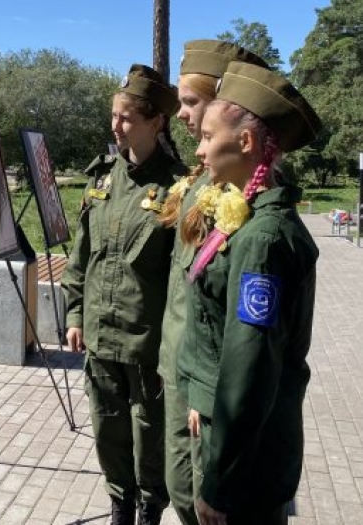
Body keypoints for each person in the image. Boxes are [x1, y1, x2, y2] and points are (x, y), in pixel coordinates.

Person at [177, 62, 322, 525]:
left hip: (247, 469)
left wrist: (218, 485)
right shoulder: (246, 215)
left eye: (207, 137)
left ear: (245, 142)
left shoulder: (262, 238)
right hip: (239, 445)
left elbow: (249, 369)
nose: (199, 148)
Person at [61, 64, 186, 525]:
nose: (116, 126)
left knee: (149, 432)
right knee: (107, 429)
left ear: (156, 122)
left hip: (147, 343)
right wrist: (75, 315)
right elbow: (82, 256)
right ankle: (120, 505)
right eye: (114, 116)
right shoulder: (102, 179)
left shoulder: (179, 187)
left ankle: (151, 507)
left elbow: (184, 276)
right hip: (99, 335)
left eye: (127, 118)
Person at [156, 40, 269, 525]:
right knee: (181, 489)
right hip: (180, 363)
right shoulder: (204, 180)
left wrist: (210, 391)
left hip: (211, 383)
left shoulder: (246, 190)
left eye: (190, 102)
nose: (182, 114)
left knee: (209, 499)